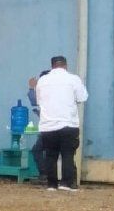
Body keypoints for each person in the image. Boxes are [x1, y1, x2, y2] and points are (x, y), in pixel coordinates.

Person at [32, 55, 88, 191]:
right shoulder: (73, 79)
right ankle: (66, 183)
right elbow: (82, 97)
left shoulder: (42, 81)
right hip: (68, 124)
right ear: (65, 65)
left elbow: (38, 101)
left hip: (48, 125)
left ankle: (51, 184)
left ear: (52, 66)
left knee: (50, 155)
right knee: (68, 154)